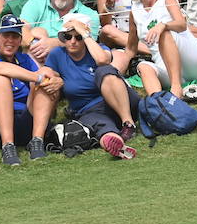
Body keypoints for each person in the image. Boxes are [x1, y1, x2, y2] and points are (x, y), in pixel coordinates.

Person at [42, 13, 140, 159]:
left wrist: (85, 33)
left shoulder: (99, 49)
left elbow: (102, 60)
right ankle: (115, 143)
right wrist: (58, 80)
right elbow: (47, 74)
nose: (73, 41)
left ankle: (128, 124)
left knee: (104, 71)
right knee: (100, 126)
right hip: (89, 110)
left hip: (121, 100)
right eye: (68, 37)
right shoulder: (57, 55)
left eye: (78, 37)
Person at [0, 13, 61, 165]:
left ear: (20, 40)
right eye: (6, 35)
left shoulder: (24, 59)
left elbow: (44, 75)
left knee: (45, 73)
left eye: (14, 36)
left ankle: (37, 141)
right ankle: (8, 147)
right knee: (1, 77)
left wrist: (57, 81)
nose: (10, 41)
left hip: (24, 121)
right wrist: (37, 78)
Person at [18, 0, 100, 62]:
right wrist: (34, 43)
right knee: (37, 32)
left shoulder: (90, 15)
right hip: (36, 60)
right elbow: (22, 29)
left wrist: (56, 43)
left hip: (74, 64)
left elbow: (90, 45)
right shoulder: (34, 4)